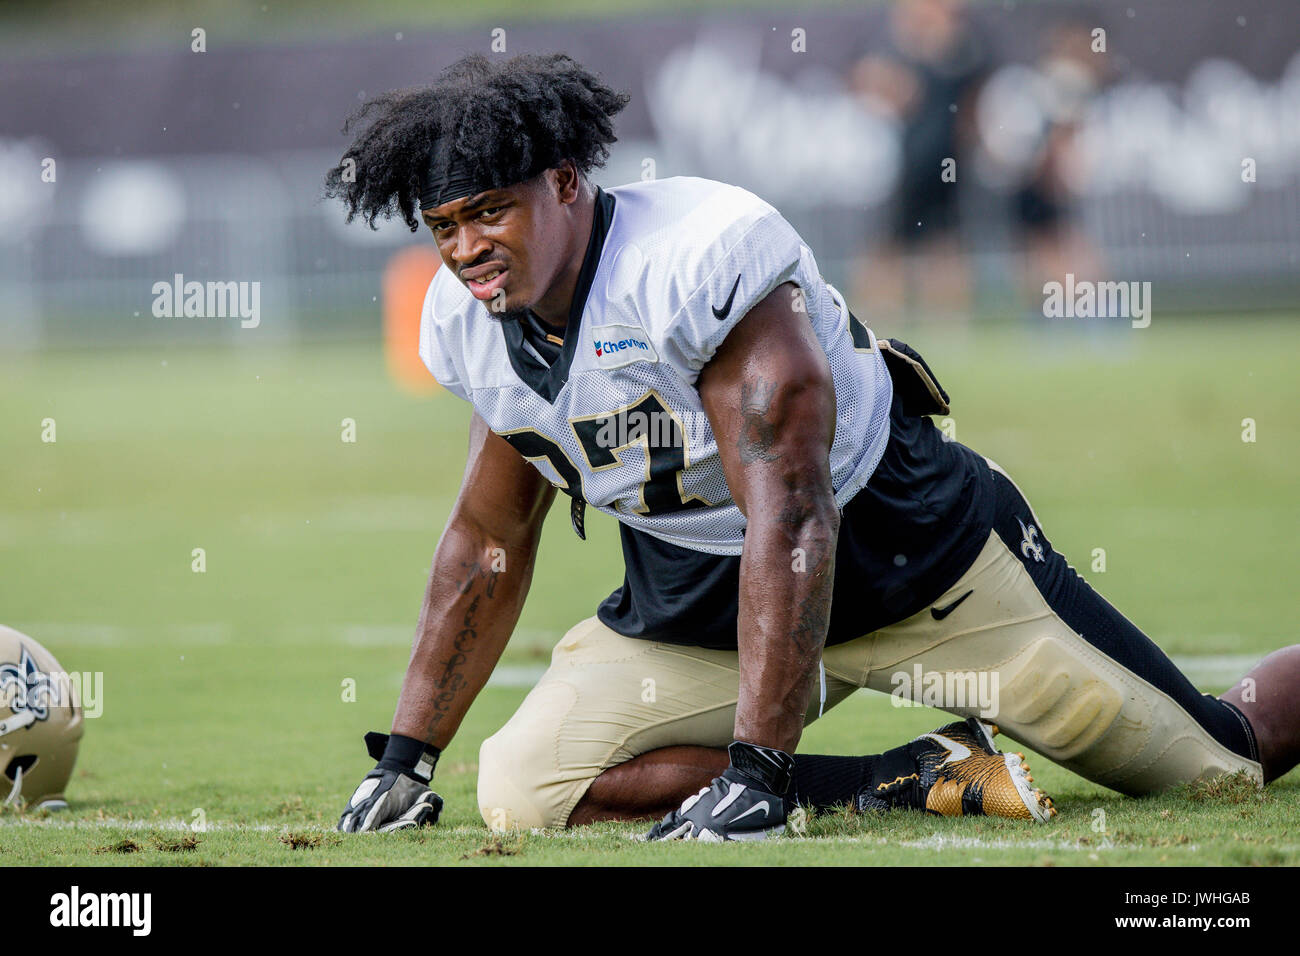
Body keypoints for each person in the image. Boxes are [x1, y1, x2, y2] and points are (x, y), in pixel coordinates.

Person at [324, 53, 1297, 842]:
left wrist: (757, 767)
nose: (465, 248)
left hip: (914, 565)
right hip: (698, 607)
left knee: (1224, 759)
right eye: (444, 224)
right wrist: (407, 755)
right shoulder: (465, 324)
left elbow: (792, 511)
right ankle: (910, 774)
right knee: (524, 785)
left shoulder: (695, 258)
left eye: (489, 210)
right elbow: (488, 535)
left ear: (566, 182)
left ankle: (773, 772)